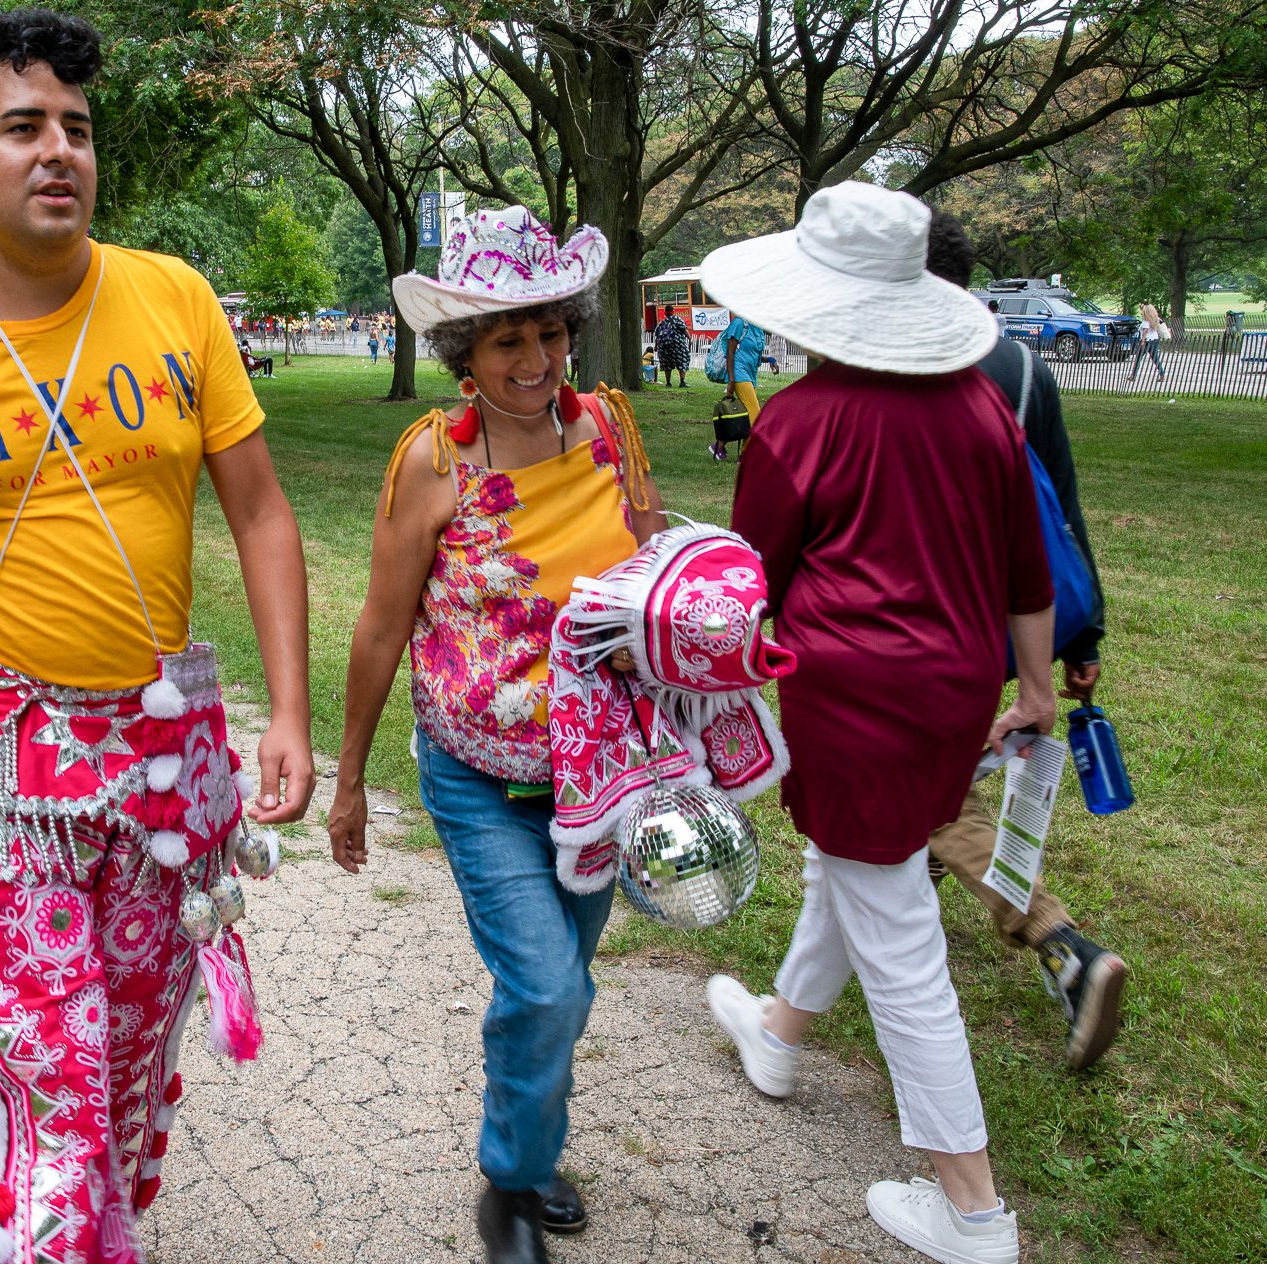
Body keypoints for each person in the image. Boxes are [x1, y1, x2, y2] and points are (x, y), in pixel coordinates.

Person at [0, 11, 314, 1263]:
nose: (58, 153)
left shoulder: (175, 298)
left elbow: (258, 511)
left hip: (158, 769)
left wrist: (290, 712)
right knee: (54, 1095)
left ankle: (93, 1233)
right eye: (23, 127)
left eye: (77, 130)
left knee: (129, 1078)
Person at [701, 183, 1053, 1264]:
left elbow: (749, 578)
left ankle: (973, 1209)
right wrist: (1034, 688)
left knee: (896, 934)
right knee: (861, 870)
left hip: (848, 698)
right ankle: (777, 1033)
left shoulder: (798, 422)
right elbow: (1025, 568)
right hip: (953, 693)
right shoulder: (984, 409)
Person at [328, 205, 665, 1264]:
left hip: (596, 777)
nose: (537, 358)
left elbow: (649, 569)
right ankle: (510, 1187)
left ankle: (531, 1142)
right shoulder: (433, 461)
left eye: (551, 331)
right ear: (461, 354)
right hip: (478, 779)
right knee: (546, 985)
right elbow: (383, 623)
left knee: (561, 986)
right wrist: (347, 781)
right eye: (507, 340)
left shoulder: (607, 427)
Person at [924, 213, 1125, 1070]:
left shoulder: (879, 366)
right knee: (932, 791)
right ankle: (893, 916)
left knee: (928, 802)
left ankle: (1061, 944)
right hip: (1015, 621)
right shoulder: (1020, 364)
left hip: (920, 625)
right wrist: (1085, 633)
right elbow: (1060, 509)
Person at [709, 312, 766, 461]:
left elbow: (753, 353)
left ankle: (719, 446)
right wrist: (732, 380)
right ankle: (746, 457)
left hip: (751, 374)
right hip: (739, 373)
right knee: (755, 414)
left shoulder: (759, 328)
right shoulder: (740, 323)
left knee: (745, 416)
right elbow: (730, 352)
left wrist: (770, 360)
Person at [653, 303, 691, 386]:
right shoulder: (677, 319)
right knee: (682, 361)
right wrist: (690, 339)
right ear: (673, 311)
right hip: (677, 345)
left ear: (665, 313)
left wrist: (656, 347)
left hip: (664, 347)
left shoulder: (661, 323)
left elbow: (657, 335)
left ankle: (668, 383)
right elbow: (684, 330)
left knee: (667, 364)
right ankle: (682, 382)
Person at [1131, 301, 1166, 384]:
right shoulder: (1156, 319)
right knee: (1155, 358)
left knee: (1138, 358)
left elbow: (1144, 332)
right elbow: (1162, 325)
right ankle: (1162, 374)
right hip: (1155, 339)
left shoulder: (1145, 321)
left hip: (1146, 341)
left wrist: (1142, 341)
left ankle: (1133, 375)